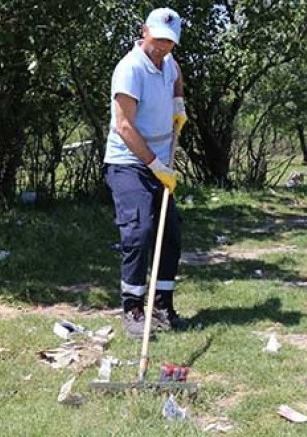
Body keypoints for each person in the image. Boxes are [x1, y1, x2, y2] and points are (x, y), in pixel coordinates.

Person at [104, 7, 188, 339]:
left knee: (170, 234)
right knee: (139, 230)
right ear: (144, 31)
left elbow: (176, 74)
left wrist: (178, 105)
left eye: (170, 41)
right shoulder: (129, 69)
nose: (163, 47)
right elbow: (124, 126)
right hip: (128, 161)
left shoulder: (168, 63)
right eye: (158, 39)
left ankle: (162, 306)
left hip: (159, 159)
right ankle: (133, 308)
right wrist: (155, 166)